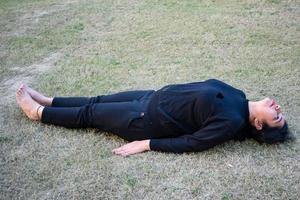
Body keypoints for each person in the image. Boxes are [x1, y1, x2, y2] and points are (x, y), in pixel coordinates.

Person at [16, 79, 294, 156]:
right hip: (151, 97)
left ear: (259, 125)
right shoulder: (239, 95)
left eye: (276, 117)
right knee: (96, 100)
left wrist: (146, 144)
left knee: (91, 114)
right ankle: (49, 100)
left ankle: (38, 113)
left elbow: (193, 142)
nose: (277, 108)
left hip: (143, 119)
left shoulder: (232, 122)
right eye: (279, 112)